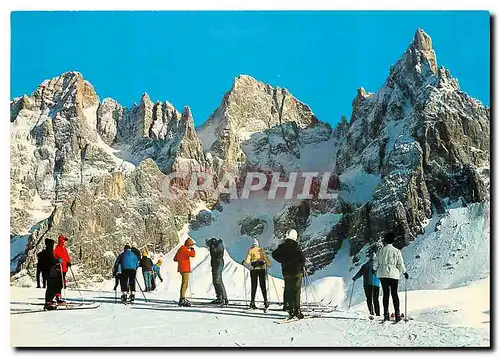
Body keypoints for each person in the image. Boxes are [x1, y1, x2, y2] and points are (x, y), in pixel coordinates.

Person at [374, 232, 408, 322]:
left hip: (382, 274)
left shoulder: (380, 251)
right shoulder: (396, 251)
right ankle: (397, 314)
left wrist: (374, 269)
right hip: (393, 274)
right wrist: (404, 272)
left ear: (385, 241)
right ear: (393, 241)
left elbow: (376, 262)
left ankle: (386, 314)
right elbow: (400, 263)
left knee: (386, 294)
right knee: (394, 294)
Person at [272, 229, 306, 319]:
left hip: (286, 272)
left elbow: (274, 255)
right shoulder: (296, 247)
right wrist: (298, 263)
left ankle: (290, 310)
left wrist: (283, 260)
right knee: (296, 291)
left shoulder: (282, 247)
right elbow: (302, 259)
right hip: (297, 272)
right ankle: (297, 311)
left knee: (289, 289)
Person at [242, 238, 272, 309]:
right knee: (263, 286)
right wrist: (269, 264)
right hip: (262, 269)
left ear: (252, 245)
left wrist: (243, 262)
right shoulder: (261, 250)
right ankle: (266, 301)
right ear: (257, 244)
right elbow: (267, 261)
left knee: (254, 286)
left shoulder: (250, 250)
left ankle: (252, 302)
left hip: (254, 270)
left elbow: (247, 262)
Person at [353, 251, 381, 317]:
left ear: (369, 258)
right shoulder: (378, 265)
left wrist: (354, 278)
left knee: (369, 298)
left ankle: (371, 313)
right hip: (376, 284)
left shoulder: (365, 265)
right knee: (375, 299)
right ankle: (378, 313)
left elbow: (359, 273)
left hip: (367, 284)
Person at [173, 237, 196, 307]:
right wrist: (193, 250)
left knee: (184, 283)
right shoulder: (185, 249)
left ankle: (183, 298)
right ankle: (182, 299)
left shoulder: (181, 249)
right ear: (189, 245)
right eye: (191, 245)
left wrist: (181, 259)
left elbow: (175, 259)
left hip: (181, 268)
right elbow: (193, 255)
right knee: (185, 283)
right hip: (185, 269)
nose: (191, 247)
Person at [206, 237, 228, 306]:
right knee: (215, 281)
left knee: (218, 281)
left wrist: (211, 246)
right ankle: (219, 297)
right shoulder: (215, 245)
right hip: (215, 264)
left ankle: (224, 298)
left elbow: (216, 252)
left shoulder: (219, 245)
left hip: (218, 264)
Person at [53, 234, 72, 304]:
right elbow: (54, 257)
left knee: (61, 283)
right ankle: (58, 296)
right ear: (61, 240)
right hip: (59, 268)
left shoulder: (64, 248)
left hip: (64, 268)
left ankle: (58, 296)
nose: (65, 241)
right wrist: (57, 262)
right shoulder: (57, 248)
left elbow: (66, 257)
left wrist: (68, 262)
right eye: (64, 240)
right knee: (59, 283)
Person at [40, 239, 58, 310]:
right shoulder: (49, 251)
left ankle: (49, 301)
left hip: (47, 272)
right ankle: (48, 302)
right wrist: (58, 261)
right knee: (52, 287)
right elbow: (52, 261)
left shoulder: (45, 251)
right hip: (50, 272)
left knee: (50, 287)